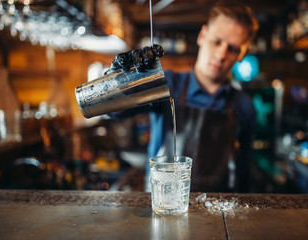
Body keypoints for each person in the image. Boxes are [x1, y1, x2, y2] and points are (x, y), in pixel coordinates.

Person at [109, 3, 259, 193]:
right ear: (202, 36)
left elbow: (243, 171)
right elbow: (117, 111)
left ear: (242, 53)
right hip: (163, 203)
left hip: (218, 211)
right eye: (216, 41)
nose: (221, 55)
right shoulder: (167, 84)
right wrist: (118, 81)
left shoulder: (244, 106)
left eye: (233, 48)